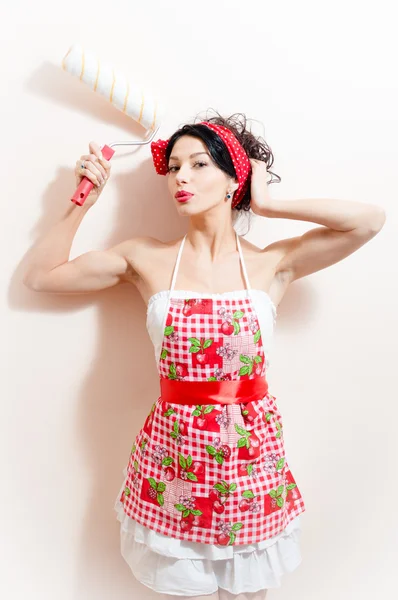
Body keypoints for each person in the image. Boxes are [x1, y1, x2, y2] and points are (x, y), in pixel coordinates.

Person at [23, 112, 386, 599]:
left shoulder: (270, 263)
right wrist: (82, 200)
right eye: (173, 167)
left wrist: (270, 204)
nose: (181, 178)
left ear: (233, 178)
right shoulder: (145, 257)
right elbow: (42, 277)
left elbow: (370, 221)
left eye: (198, 164)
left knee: (249, 591)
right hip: (174, 458)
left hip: (251, 459)